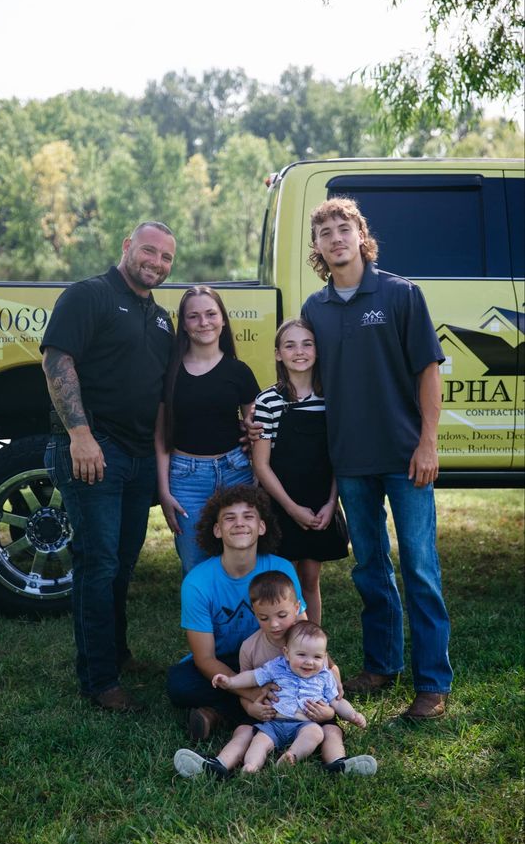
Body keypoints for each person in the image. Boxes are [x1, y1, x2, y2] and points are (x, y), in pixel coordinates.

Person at [302, 196, 453, 720]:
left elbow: (428, 371)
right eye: (325, 233)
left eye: (344, 228)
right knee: (370, 568)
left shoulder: (400, 294)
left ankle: (432, 684)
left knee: (419, 567)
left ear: (360, 235)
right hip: (349, 459)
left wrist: (428, 442)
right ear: (318, 248)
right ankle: (381, 665)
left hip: (405, 455)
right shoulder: (314, 309)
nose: (335, 238)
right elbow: (306, 380)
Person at [41, 221, 177, 712]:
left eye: (165, 258)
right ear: (127, 247)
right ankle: (99, 681)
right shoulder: (88, 296)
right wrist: (80, 435)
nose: (156, 263)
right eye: (148, 251)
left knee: (120, 565)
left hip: (139, 458)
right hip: (95, 450)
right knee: (97, 566)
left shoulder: (161, 319)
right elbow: (57, 362)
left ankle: (116, 654)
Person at [174, 571, 376, 779]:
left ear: (297, 608)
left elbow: (332, 694)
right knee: (243, 732)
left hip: (312, 718)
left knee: (331, 732)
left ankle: (338, 764)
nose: (275, 624)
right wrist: (251, 707)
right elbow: (247, 688)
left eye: (282, 615)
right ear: (255, 613)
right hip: (269, 718)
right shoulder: (250, 648)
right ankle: (218, 765)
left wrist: (336, 714)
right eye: (264, 617)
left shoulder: (310, 642)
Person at [166, 485, 308, 741]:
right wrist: (251, 692)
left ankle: (216, 715)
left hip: (272, 660)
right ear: (217, 530)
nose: (239, 523)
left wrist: (328, 667)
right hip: (223, 661)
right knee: (179, 683)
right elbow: (205, 658)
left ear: (262, 527)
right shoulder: (197, 582)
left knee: (303, 678)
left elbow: (301, 633)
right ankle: (256, 710)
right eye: (229, 518)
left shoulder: (281, 569)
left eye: (248, 516)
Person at [155, 286, 259, 576]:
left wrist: (251, 438)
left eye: (211, 314)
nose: (204, 322)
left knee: (243, 559)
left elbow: (257, 429)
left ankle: (242, 621)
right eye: (194, 316)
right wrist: (163, 490)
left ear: (223, 320)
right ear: (184, 325)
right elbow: (162, 434)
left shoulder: (239, 371)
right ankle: (201, 622)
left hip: (235, 470)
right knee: (194, 563)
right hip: (186, 478)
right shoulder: (170, 372)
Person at [252, 318, 348, 624]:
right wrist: (292, 509)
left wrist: (331, 504)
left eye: (307, 343)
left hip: (321, 503)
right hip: (282, 503)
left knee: (309, 580)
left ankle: (312, 646)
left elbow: (339, 458)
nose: (300, 351)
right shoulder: (268, 401)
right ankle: (283, 648)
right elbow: (261, 464)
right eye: (290, 345)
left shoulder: (332, 399)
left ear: (318, 351)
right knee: (283, 582)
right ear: (278, 354)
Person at [209, 621, 374, 773]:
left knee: (316, 733)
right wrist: (230, 682)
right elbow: (252, 676)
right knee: (259, 741)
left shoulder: (325, 676)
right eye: (302, 655)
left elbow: (337, 702)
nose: (309, 662)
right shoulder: (277, 666)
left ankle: (292, 756)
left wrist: (352, 715)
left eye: (316, 657)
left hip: (305, 724)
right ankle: (251, 766)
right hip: (274, 724)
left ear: (324, 658)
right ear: (287, 653)